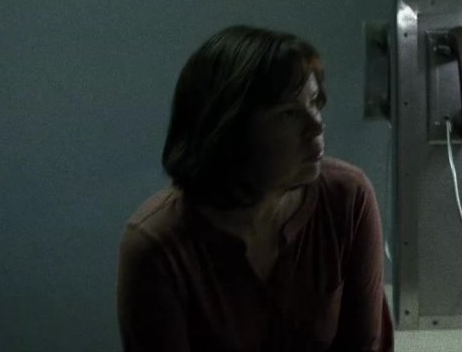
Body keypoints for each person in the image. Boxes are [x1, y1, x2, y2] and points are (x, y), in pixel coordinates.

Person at [116, 25, 394, 351]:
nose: (316, 124)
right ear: (229, 130)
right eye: (288, 113)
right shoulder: (159, 244)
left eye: (314, 103)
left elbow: (366, 343)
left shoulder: (347, 198)